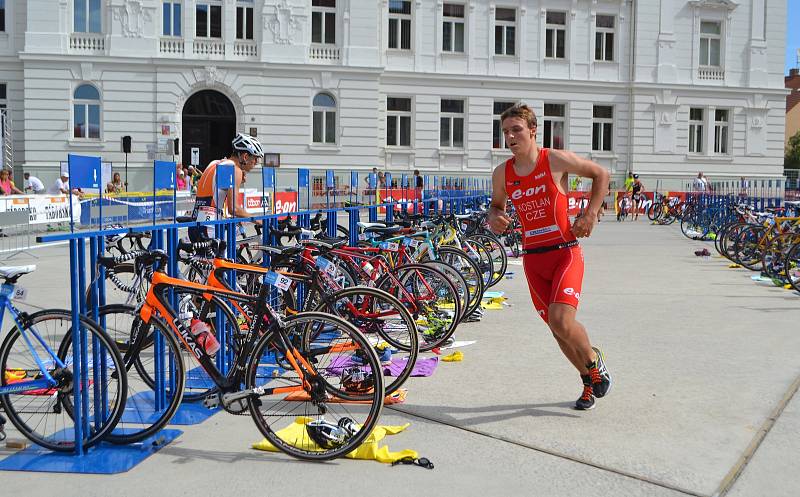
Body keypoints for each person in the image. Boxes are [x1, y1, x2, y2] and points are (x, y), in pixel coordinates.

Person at [487, 104, 611, 411]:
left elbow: (601, 174)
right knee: (557, 331)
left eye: (516, 130)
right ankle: (587, 381)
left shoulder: (553, 160)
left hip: (564, 252)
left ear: (532, 130)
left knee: (561, 320)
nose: (510, 137)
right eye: (505, 132)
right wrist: (495, 217)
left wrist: (590, 213)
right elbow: (496, 207)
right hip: (533, 259)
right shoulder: (502, 173)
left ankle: (595, 363)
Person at [189, 133, 263, 241]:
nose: (256, 163)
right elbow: (234, 209)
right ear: (245, 156)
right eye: (255, 158)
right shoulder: (234, 169)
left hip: (195, 225)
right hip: (210, 228)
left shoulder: (214, 163)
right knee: (228, 257)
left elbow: (214, 192)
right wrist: (260, 220)